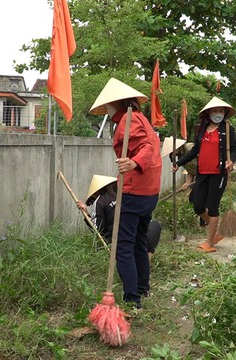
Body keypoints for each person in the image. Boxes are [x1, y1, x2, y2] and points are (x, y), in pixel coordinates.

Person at [89, 78, 162, 309]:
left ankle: (132, 299)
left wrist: (133, 163)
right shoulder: (141, 118)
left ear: (116, 103)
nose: (107, 109)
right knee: (139, 241)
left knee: (123, 246)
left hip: (134, 190)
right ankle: (142, 288)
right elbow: (151, 146)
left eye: (109, 105)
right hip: (150, 191)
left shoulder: (128, 120)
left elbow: (147, 149)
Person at [173, 97, 236, 253]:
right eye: (215, 111)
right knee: (198, 205)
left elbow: (234, 149)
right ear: (208, 113)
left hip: (219, 173)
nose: (218, 113)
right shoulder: (202, 129)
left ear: (225, 113)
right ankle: (218, 229)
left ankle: (210, 242)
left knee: (213, 207)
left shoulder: (228, 129)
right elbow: (195, 150)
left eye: (220, 111)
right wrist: (179, 163)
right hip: (202, 173)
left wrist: (231, 161)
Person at [76, 175, 162, 263]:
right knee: (155, 225)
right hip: (137, 238)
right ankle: (145, 261)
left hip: (117, 243)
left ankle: (139, 262)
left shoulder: (100, 201)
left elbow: (97, 230)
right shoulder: (125, 196)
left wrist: (86, 215)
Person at [161, 137, 206, 227]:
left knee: (200, 199)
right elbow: (190, 170)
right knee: (193, 199)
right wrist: (188, 183)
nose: (172, 154)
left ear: (176, 147)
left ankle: (204, 222)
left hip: (205, 176)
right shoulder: (181, 156)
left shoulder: (189, 148)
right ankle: (201, 220)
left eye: (171, 151)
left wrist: (201, 177)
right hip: (198, 178)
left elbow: (205, 160)